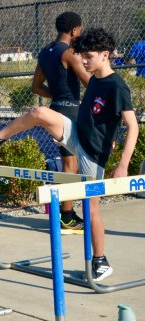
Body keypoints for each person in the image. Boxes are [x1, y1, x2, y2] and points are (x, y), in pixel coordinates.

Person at [0, 28, 138, 281]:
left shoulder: (117, 86)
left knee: (91, 209)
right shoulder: (94, 81)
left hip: (93, 154)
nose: (84, 62)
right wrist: (57, 128)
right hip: (77, 135)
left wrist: (123, 165)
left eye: (88, 57)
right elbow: (96, 116)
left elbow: (132, 125)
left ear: (105, 55)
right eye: (81, 57)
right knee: (39, 114)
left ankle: (101, 262)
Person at [31, 12, 91, 233]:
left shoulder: (45, 52)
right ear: (74, 30)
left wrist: (57, 95)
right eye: (80, 30)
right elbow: (91, 83)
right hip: (70, 111)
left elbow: (36, 87)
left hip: (56, 108)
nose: (80, 33)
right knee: (71, 164)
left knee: (70, 162)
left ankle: (66, 214)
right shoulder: (70, 52)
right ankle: (66, 217)